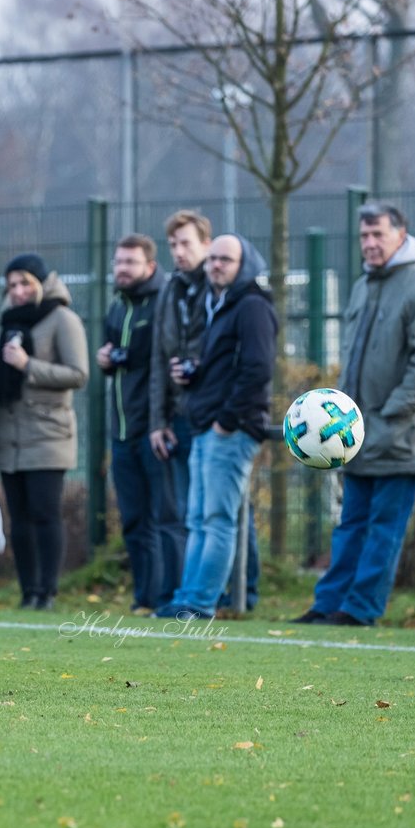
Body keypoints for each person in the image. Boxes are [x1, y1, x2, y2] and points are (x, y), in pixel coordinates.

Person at [293, 202, 415, 627]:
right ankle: (327, 605)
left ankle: (360, 610)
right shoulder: (364, 285)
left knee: (383, 529)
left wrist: (388, 413)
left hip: (399, 436)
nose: (370, 243)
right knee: (349, 525)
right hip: (355, 437)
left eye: (378, 234)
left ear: (401, 234)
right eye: (364, 236)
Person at [155, 234, 276, 621]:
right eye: (213, 260)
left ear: (245, 265)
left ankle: (200, 603)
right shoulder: (218, 305)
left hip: (230, 429)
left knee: (218, 519)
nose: (216, 265)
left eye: (225, 259)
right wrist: (195, 374)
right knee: (197, 518)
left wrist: (228, 420)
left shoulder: (253, 306)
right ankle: (186, 597)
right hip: (206, 425)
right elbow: (225, 365)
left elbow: (257, 369)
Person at [0, 254, 88, 611]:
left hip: (49, 433)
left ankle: (48, 591)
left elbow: (78, 374)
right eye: (12, 285)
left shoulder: (63, 318)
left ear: (42, 283)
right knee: (19, 517)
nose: (18, 291)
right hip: (9, 433)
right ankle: (27, 591)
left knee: (45, 513)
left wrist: (28, 365)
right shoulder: (9, 322)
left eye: (25, 283)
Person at [96, 234, 177, 613]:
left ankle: (168, 597)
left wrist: (126, 356)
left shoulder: (164, 301)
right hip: (122, 432)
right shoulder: (117, 307)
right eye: (118, 262)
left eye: (130, 262)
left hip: (154, 430)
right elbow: (114, 355)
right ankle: (144, 598)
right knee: (133, 521)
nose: (122, 269)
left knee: (164, 518)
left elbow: (161, 360)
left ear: (150, 265)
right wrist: (107, 358)